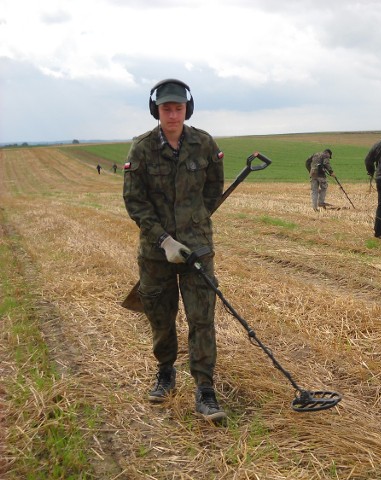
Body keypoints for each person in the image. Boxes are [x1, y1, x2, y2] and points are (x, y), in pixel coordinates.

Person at [123, 78, 226, 421]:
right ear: (156, 110)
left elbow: (213, 190)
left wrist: (194, 224)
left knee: (201, 318)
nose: (172, 114)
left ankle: (205, 389)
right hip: (157, 253)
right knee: (161, 317)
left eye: (178, 108)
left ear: (187, 109)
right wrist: (164, 239)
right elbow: (135, 202)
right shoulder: (140, 149)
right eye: (166, 108)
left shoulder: (204, 144)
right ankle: (166, 372)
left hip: (197, 249)